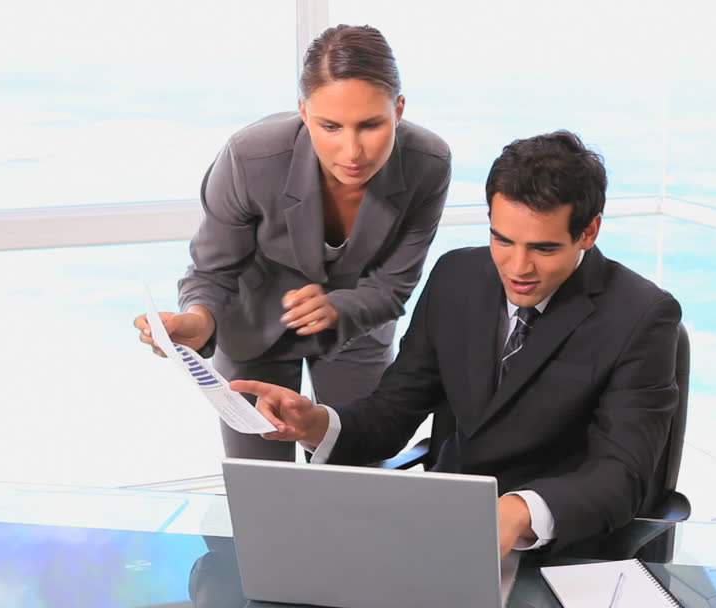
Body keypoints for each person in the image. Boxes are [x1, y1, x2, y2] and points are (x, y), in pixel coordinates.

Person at [232, 131, 682, 556]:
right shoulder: (456, 277)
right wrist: (314, 423)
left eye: (543, 249)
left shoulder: (642, 316)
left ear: (588, 231)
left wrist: (519, 511)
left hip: (561, 550)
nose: (518, 268)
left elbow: (623, 476)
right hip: (443, 531)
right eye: (502, 239)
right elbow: (393, 412)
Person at [134, 25, 451, 461]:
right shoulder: (250, 157)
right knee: (260, 480)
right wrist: (200, 318)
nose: (352, 151)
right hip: (252, 326)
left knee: (360, 470)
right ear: (303, 111)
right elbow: (213, 270)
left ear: (398, 110)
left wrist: (338, 308)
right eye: (330, 126)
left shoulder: (428, 163)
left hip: (356, 329)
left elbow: (393, 286)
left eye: (370, 125)